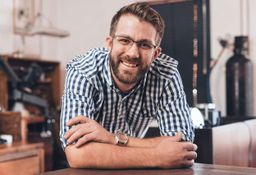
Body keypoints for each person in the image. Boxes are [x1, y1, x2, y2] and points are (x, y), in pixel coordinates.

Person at [60, 2, 197, 169]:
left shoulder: (166, 75)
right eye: (125, 40)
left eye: (144, 44)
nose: (133, 53)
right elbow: (78, 154)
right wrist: (157, 156)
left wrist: (111, 138)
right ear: (109, 43)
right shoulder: (83, 71)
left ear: (155, 54)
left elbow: (182, 147)